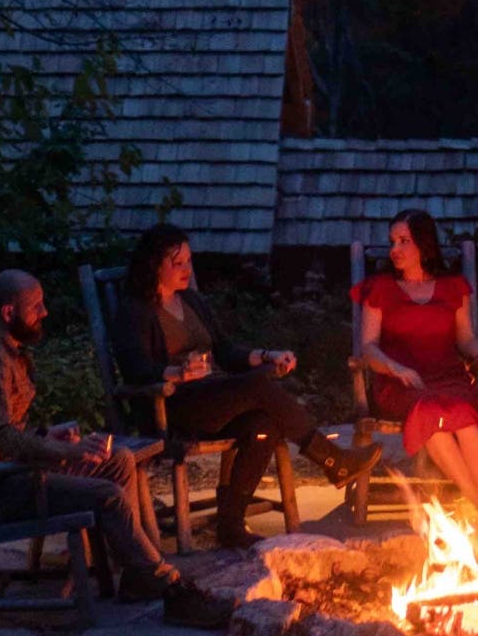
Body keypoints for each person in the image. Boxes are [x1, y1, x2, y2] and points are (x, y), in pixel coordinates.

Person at [0, 269, 234, 627]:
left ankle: (137, 575)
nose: (45, 312)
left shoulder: (7, 351)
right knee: (108, 494)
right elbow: (4, 438)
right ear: (8, 313)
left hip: (11, 471)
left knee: (120, 461)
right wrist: (69, 452)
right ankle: (169, 588)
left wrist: (49, 435)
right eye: (36, 306)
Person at [108, 223, 381, 549]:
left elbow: (225, 351)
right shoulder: (135, 311)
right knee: (256, 386)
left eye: (189, 261)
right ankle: (332, 460)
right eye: (176, 263)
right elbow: (136, 369)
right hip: (172, 407)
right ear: (154, 265)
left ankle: (231, 525)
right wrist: (177, 373)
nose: (187, 269)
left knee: (264, 424)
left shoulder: (191, 301)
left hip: (211, 399)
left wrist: (267, 355)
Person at [352, 209, 478, 521]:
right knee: (433, 416)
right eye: (392, 241)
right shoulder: (380, 289)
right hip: (401, 384)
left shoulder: (451, 288)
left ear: (424, 244)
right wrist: (396, 368)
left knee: (464, 416)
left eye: (404, 241)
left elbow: (467, 343)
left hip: (447, 380)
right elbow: (367, 348)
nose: (395, 249)